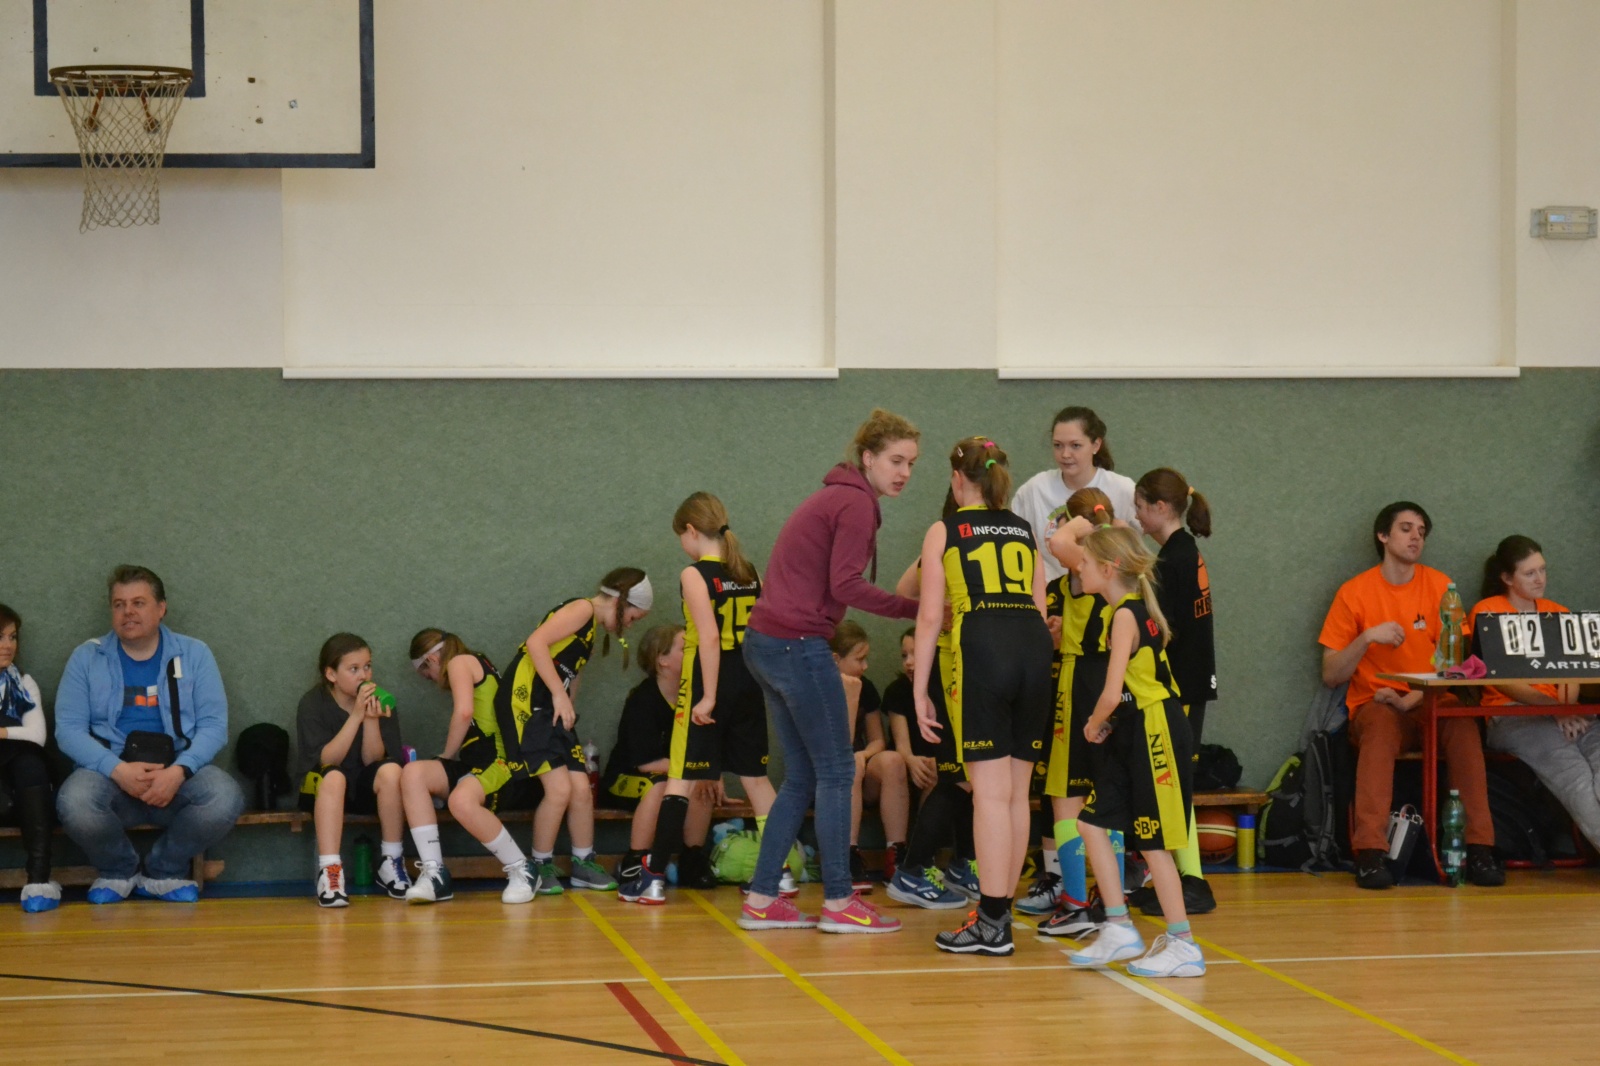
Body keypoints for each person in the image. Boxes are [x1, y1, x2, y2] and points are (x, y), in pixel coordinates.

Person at [737, 408, 921, 934]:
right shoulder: (855, 503)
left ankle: (762, 898)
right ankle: (840, 901)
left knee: (802, 777)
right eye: (895, 460)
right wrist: (918, 609)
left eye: (911, 463)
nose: (904, 472)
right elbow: (846, 585)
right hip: (795, 644)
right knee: (839, 771)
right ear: (868, 457)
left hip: (765, 642)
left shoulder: (839, 496)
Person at [912, 435, 1053, 956]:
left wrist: (921, 689)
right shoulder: (1023, 529)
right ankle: (999, 912)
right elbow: (1040, 606)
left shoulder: (945, 529)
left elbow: (931, 615)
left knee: (989, 794)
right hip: (1033, 647)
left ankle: (991, 922)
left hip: (984, 645)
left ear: (957, 479)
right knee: (1017, 793)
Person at [1318, 503, 1503, 890]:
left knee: (1463, 727)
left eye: (1421, 531)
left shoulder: (1441, 587)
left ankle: (1479, 849)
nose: (1416, 536)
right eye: (1406, 528)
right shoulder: (1354, 592)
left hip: (1428, 700)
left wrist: (1413, 699)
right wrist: (1367, 638)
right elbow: (1331, 674)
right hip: (1379, 703)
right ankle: (1370, 853)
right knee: (1381, 729)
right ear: (1383, 536)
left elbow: (1456, 665)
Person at [621, 495, 779, 906]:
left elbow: (708, 637)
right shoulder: (749, 571)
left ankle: (652, 878)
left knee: (681, 779)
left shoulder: (694, 574)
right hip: (749, 678)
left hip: (709, 679)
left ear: (691, 531)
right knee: (757, 780)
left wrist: (708, 696)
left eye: (681, 536)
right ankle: (778, 875)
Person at [54, 566, 245, 904]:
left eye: (138, 603)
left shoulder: (195, 653)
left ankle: (162, 871)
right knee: (74, 801)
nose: (128, 611)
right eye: (119, 604)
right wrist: (117, 770)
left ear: (161, 608)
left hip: (176, 777)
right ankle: (119, 871)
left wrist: (179, 771)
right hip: (109, 777)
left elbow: (214, 726)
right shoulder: (86, 657)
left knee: (224, 796)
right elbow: (68, 730)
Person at [1066, 526, 1206, 977]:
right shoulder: (1128, 611)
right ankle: (1119, 926)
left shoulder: (1126, 615)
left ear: (1109, 569)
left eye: (1085, 562)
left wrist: (1093, 723)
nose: (1078, 567)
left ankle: (1183, 944)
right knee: (1090, 823)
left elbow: (1110, 693)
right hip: (1134, 726)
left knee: (1154, 842)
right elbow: (1131, 685)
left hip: (1157, 728)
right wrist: (1112, 722)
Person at [500, 568, 651, 895]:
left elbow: (573, 673)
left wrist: (567, 703)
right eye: (633, 618)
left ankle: (584, 863)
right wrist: (558, 694)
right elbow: (536, 643)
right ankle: (540, 865)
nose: (630, 625)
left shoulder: (590, 631)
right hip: (527, 703)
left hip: (551, 707)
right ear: (621, 603)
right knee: (559, 790)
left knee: (581, 789)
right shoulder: (582, 609)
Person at [1025, 488, 1118, 939]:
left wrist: (1080, 525)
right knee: (1105, 798)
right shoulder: (1116, 569)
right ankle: (1109, 900)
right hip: (1106, 681)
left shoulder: (1091, 564)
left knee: (1066, 798)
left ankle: (1078, 901)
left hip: (1083, 682)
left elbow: (1060, 543)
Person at [1469, 536, 1600, 851]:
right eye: (1530, 573)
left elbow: (1572, 671)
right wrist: (1555, 710)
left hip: (1563, 712)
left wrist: (1566, 710)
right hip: (1512, 714)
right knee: (1574, 773)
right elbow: (1502, 680)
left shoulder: (1557, 612)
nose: (1540, 579)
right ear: (1507, 577)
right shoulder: (1488, 613)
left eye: (1542, 570)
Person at [1130, 467, 1217, 916]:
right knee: (1173, 784)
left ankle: (1193, 882)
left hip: (1180, 687)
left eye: (1140, 507)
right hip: (1193, 683)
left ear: (1161, 507)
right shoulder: (1184, 552)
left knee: (1173, 785)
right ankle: (1177, 879)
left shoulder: (1172, 561)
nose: (1137, 516)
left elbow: (1161, 630)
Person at [402, 629, 541, 904]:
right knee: (413, 774)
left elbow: (464, 712)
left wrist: (446, 755)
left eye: (426, 674)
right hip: (473, 762)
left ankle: (523, 869)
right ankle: (435, 874)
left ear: (432, 659)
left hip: (498, 763)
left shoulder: (459, 662)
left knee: (461, 802)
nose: (431, 680)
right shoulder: (476, 662)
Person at [599, 625, 716, 887]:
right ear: (662, 660)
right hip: (624, 779)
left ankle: (693, 861)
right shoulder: (643, 700)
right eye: (686, 649)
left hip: (673, 774)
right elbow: (647, 764)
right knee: (659, 785)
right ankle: (635, 861)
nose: (694, 655)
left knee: (701, 784)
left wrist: (708, 773)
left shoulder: (696, 699)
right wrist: (695, 769)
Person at [295, 633, 407, 907]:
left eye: (367, 666)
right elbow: (327, 760)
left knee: (391, 772)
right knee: (334, 776)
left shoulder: (381, 701)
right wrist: (356, 716)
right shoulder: (313, 703)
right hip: (322, 788)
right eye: (354, 669)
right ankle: (330, 873)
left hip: (361, 787)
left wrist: (370, 719)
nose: (364, 675)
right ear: (331, 674)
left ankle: (391, 862)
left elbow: (373, 760)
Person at [882, 626, 970, 909]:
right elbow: (901, 744)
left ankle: (962, 864)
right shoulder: (903, 691)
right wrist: (911, 760)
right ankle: (911, 868)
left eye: (915, 654)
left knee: (967, 778)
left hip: (934, 763)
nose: (909, 662)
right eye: (905, 655)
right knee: (957, 779)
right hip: (911, 765)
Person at [1012, 406, 1139, 582]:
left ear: (1096, 445)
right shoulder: (1034, 489)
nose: (1065, 454)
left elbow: (1138, 550)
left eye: (1075, 446)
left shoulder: (1123, 489)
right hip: (1050, 592)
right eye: (1058, 445)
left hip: (1103, 592)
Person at [830, 621, 909, 893]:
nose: (865, 666)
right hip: (827, 780)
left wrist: (863, 754)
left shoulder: (867, 686)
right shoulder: (815, 689)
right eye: (859, 659)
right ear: (836, 659)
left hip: (860, 773)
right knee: (849, 764)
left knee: (893, 761)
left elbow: (878, 740)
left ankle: (896, 855)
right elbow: (834, 746)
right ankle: (848, 855)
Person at [0, 604, 59, 912]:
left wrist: (2, 732)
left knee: (30, 762)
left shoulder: (23, 683)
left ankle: (39, 879)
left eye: (12, 637)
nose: (8, 645)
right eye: (0, 637)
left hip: (19, 790)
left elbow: (37, 735)